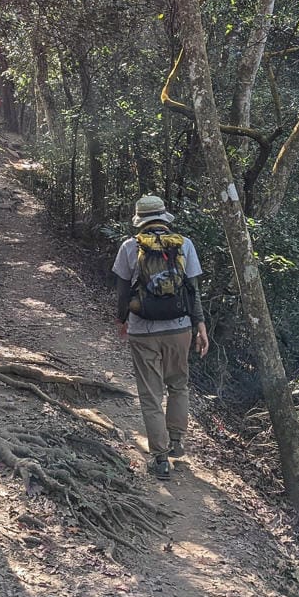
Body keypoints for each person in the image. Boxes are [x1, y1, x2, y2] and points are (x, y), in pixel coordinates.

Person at [112, 194, 209, 480]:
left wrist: (122, 320)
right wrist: (199, 324)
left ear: (139, 219)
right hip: (180, 329)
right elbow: (192, 290)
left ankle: (160, 458)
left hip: (143, 330)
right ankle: (177, 443)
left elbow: (121, 292)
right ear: (164, 217)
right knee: (178, 386)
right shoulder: (184, 244)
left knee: (151, 395)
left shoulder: (130, 247)